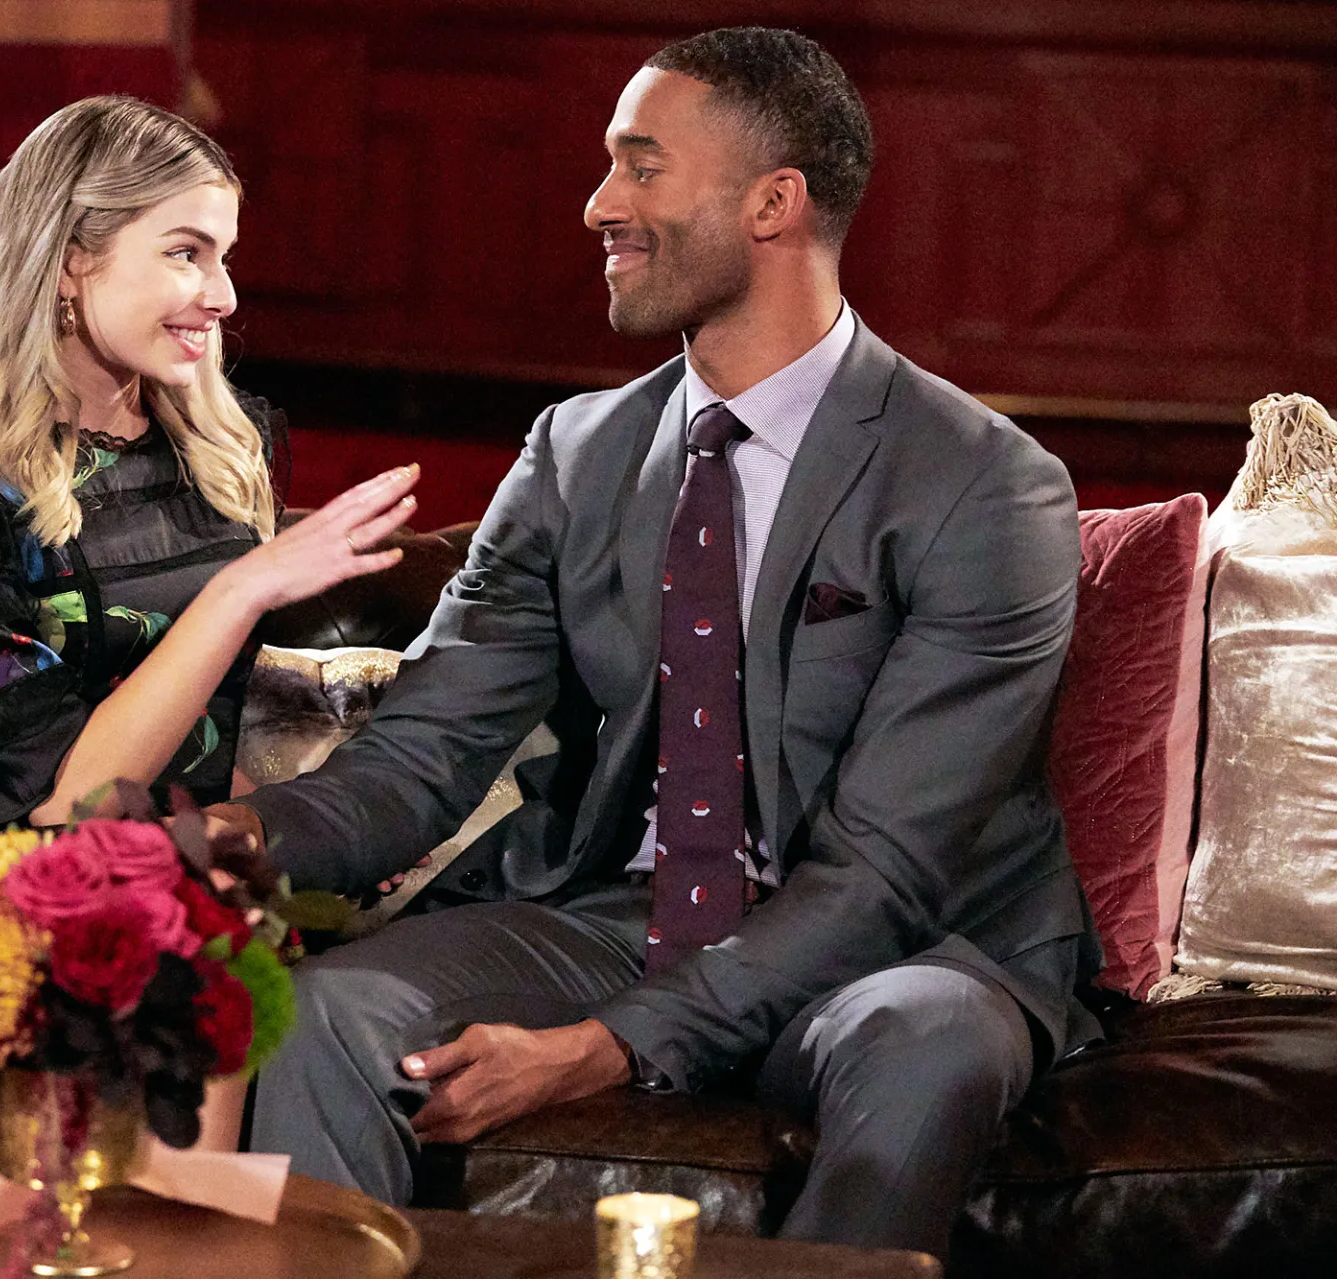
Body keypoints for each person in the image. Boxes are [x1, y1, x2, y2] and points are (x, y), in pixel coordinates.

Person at [210, 27, 1102, 1259]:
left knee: (928, 1044)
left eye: (640, 167)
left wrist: (609, 1047)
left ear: (772, 204)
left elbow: (885, 869)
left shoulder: (980, 483)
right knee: (326, 1015)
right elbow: (422, 753)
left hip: (897, 949)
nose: (597, 205)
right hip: (614, 915)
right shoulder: (574, 453)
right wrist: (234, 837)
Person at [0, 96, 419, 1141]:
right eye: (185, 253)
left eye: (225, 257)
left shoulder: (229, 455)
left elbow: (216, 735)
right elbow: (68, 806)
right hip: (6, 876)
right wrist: (242, 589)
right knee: (194, 935)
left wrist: (298, 829)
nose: (222, 295)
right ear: (72, 258)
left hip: (182, 854)